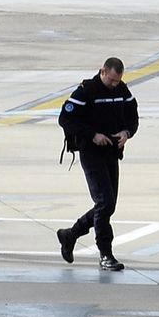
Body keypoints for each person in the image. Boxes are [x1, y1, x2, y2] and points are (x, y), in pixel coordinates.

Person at [56, 57, 138, 271]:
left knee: (107, 205)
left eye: (117, 81)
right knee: (105, 202)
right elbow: (65, 119)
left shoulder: (122, 90)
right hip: (92, 152)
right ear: (102, 71)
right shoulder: (86, 91)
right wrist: (92, 135)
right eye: (111, 80)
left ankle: (70, 234)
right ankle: (105, 254)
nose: (114, 84)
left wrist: (127, 132)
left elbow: (133, 115)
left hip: (112, 152)